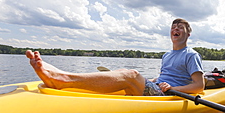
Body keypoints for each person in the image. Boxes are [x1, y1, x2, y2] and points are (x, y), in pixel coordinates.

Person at [26, 18, 204, 96]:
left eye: (181, 27)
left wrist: (173, 88)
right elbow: (163, 76)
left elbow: (199, 85)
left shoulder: (191, 55)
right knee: (122, 71)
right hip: (159, 86)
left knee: (132, 75)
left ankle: (61, 78)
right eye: (174, 27)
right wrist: (153, 80)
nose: (176, 29)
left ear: (188, 35)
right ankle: (66, 79)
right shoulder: (166, 55)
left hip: (169, 94)